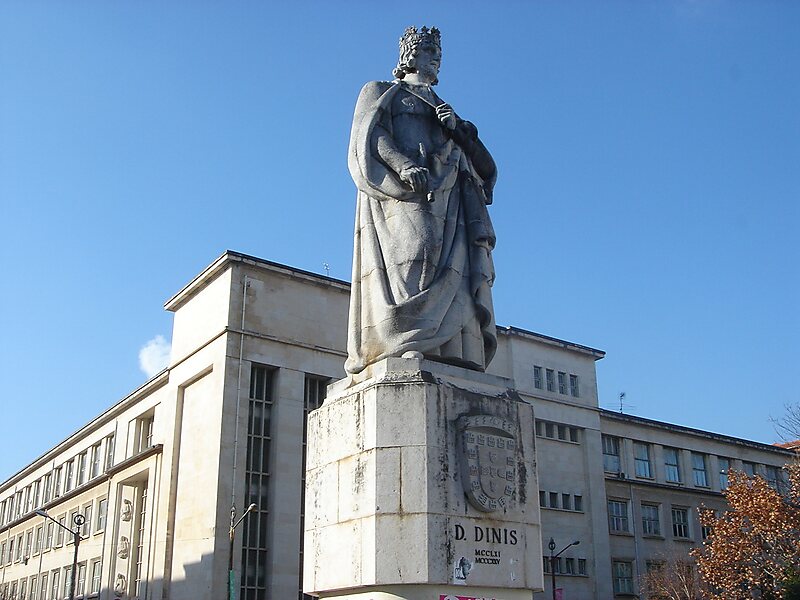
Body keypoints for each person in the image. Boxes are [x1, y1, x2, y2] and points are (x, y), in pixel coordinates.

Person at [345, 26, 498, 375]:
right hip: (404, 194)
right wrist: (402, 164)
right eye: (430, 51)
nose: (437, 59)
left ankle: (454, 348)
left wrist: (458, 130)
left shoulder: (447, 110)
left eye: (439, 54)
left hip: (452, 202)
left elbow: (487, 168)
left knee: (456, 269)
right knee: (417, 253)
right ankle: (407, 340)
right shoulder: (383, 92)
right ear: (410, 54)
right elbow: (369, 137)